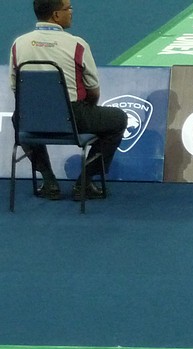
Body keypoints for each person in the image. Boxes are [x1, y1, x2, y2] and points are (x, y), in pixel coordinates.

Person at [9, 0, 127, 201]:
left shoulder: (18, 44)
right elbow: (93, 90)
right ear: (56, 15)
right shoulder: (77, 45)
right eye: (68, 8)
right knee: (118, 119)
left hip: (32, 119)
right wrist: (88, 109)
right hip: (73, 117)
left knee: (18, 118)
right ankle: (84, 182)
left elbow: (16, 88)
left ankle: (49, 181)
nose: (71, 12)